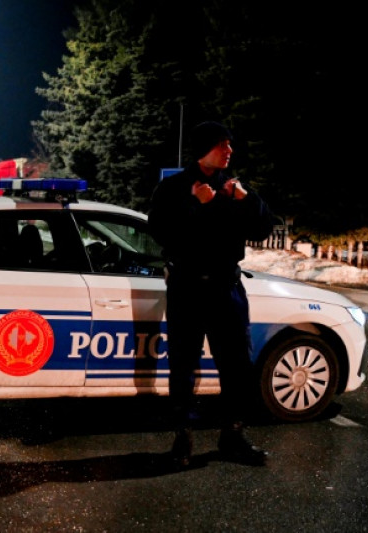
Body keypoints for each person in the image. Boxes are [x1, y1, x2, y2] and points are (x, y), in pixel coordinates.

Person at [148, 121, 275, 468]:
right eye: (222, 145)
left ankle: (233, 435)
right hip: (188, 287)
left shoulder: (234, 188)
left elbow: (263, 229)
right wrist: (195, 205)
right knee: (184, 365)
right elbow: (160, 232)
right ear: (204, 148)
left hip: (226, 287)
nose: (229, 151)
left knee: (236, 365)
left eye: (229, 145)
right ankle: (182, 439)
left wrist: (248, 200)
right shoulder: (174, 187)